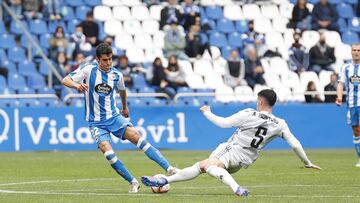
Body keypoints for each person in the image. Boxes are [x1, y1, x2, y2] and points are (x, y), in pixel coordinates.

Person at [141, 89, 321, 196]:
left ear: (260, 101)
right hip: (245, 160)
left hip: (232, 149)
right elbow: (295, 144)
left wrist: (207, 112)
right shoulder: (280, 123)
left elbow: (223, 123)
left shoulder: (250, 113)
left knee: (207, 165)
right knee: (203, 166)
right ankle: (167, 178)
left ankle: (236, 188)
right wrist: (307, 162)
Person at [61, 43, 179, 193]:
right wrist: (77, 86)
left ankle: (169, 168)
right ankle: (133, 182)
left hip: (114, 117)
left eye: (110, 59)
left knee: (138, 137)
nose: (108, 62)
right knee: (108, 153)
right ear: (97, 59)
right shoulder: (88, 69)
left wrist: (124, 107)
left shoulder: (116, 74)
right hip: (96, 123)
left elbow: (122, 90)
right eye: (105, 60)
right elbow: (65, 80)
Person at [336, 43, 360, 167]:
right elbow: (340, 84)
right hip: (352, 104)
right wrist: (339, 97)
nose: (356, 52)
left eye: (358, 50)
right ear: (351, 52)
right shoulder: (346, 68)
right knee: (356, 131)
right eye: (354, 50)